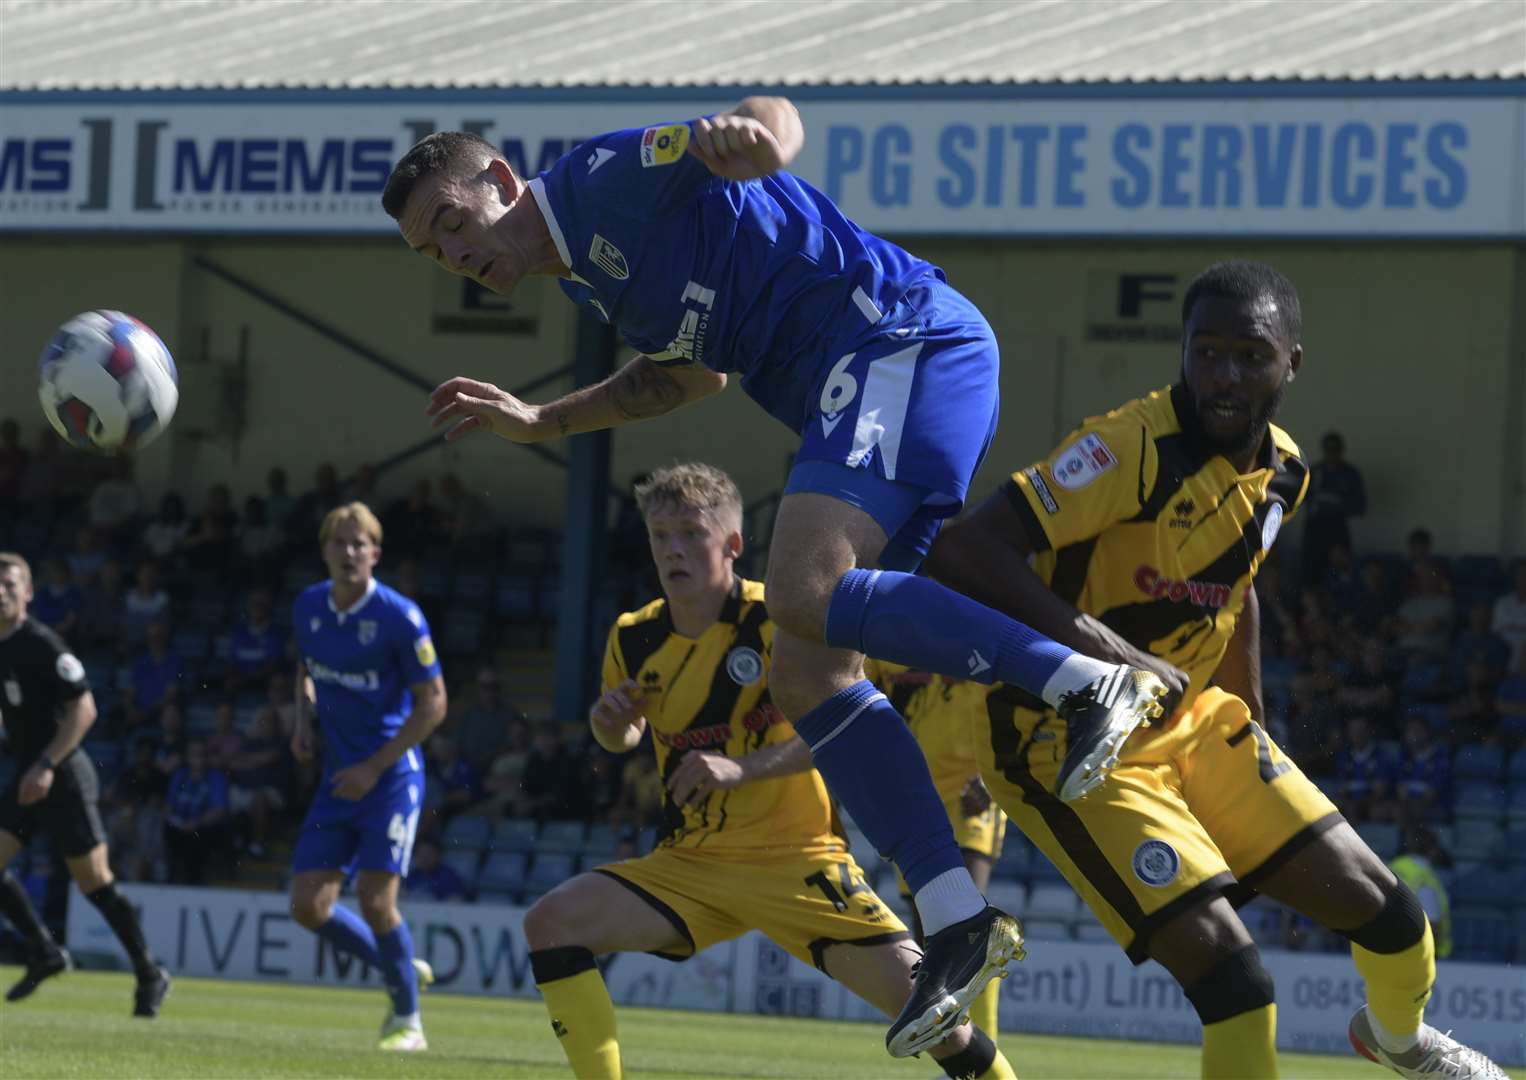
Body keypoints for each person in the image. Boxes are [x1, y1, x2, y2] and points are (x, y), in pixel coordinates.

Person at [383, 101, 1167, 1054]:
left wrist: (763, 141)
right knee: (809, 674)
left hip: (900, 342)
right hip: (871, 386)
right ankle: (957, 916)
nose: (456, 255)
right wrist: (543, 424)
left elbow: (763, 118)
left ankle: (1086, 683)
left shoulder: (598, 180)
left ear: (501, 182)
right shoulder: (590, 278)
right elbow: (687, 377)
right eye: (435, 253)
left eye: (455, 224)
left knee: (798, 588)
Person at [920, 262, 1505, 1079]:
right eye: (1208, 353)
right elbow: (965, 547)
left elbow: (1240, 581)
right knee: (1237, 978)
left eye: (1250, 355)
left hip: (1195, 723)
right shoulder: (1126, 449)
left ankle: (1397, 1040)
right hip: (1064, 741)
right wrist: (1110, 653)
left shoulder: (1287, 472)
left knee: (1397, 919)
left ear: (1291, 362)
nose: (1225, 377)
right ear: (1183, 352)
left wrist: (1252, 708)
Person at [521, 463, 1016, 1080]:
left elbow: (846, 730)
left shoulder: (787, 617)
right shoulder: (633, 636)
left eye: (691, 534)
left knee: (941, 1018)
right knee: (550, 923)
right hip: (691, 865)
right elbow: (622, 738)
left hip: (799, 861)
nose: (673, 549)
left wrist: (741, 769)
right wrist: (607, 721)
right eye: (660, 536)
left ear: (732, 543)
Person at [286, 503, 448, 1052]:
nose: (349, 552)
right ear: (325, 550)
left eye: (360, 544)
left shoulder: (401, 617)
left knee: (378, 901)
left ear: (376, 553)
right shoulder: (308, 606)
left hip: (391, 778)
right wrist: (302, 722)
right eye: (340, 543)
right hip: (338, 777)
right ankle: (397, 962)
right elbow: (305, 669)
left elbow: (435, 704)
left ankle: (409, 1021)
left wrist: (373, 767)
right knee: (308, 907)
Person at [0, 552, 170, 1014]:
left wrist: (48, 764)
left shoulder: (41, 642)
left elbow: (85, 709)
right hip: (27, 773)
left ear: (28, 594)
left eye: (10, 585)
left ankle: (149, 972)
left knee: (93, 882)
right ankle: (44, 951)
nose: (1, 593)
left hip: (63, 774)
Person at [865, 663, 1007, 1045]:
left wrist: (996, 777)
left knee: (970, 929)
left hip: (969, 792)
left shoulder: (966, 617)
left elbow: (1011, 701)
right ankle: (962, 1049)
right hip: (910, 794)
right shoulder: (882, 629)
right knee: (933, 942)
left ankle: (986, 1052)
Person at [1301, 431, 1366, 586]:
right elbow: (1301, 500)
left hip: (1337, 531)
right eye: (1329, 450)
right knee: (1312, 576)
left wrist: (1338, 505)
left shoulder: (1350, 474)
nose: (1332, 454)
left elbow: (1361, 506)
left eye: (1335, 450)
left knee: (1340, 576)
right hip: (1315, 531)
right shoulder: (1315, 472)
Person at [162, 739, 229, 885]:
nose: (198, 759)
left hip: (203, 828)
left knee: (197, 840)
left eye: (202, 754)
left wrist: (196, 822)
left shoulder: (216, 778)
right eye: (194, 754)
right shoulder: (180, 776)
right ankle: (167, 877)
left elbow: (219, 811)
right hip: (179, 826)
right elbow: (168, 807)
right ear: (187, 757)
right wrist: (177, 822)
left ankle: (193, 881)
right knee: (167, 832)